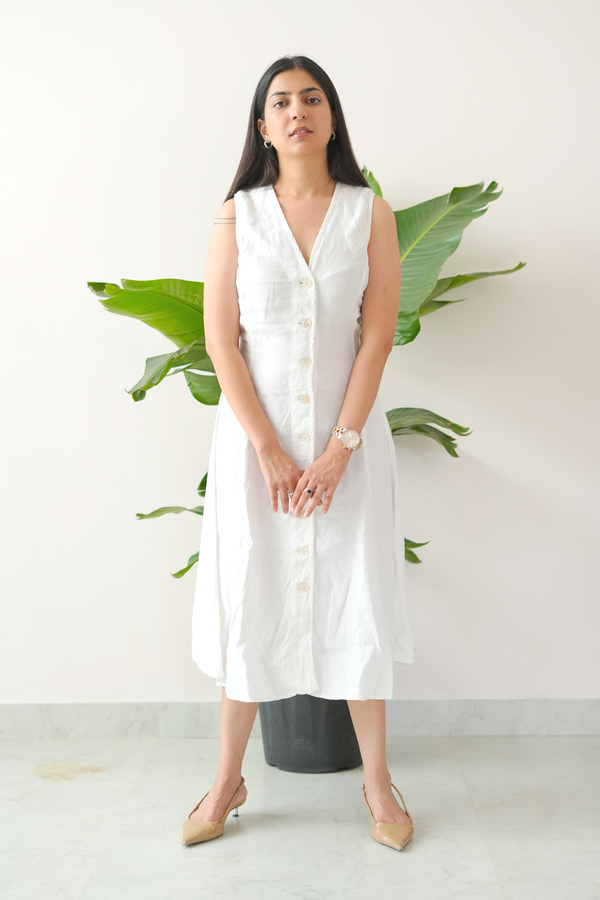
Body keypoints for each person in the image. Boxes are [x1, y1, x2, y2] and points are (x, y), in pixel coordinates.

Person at [182, 55, 415, 852]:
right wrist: (271, 452)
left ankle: (378, 784)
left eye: (311, 97)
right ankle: (225, 781)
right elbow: (221, 342)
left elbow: (375, 337)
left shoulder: (369, 212)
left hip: (347, 447)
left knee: (359, 595)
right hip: (258, 447)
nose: (297, 111)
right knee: (252, 592)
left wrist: (339, 449)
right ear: (262, 126)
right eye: (280, 102)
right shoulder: (235, 216)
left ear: (332, 116)